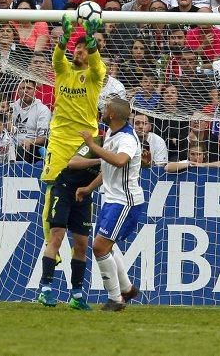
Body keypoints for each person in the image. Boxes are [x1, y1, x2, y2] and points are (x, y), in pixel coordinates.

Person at [40, 14, 105, 264]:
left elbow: (97, 62)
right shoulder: (63, 70)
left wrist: (89, 38)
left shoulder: (95, 75)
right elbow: (57, 58)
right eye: (75, 49)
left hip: (85, 142)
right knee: (50, 190)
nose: (78, 52)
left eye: (82, 49)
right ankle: (52, 248)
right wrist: (64, 38)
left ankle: (79, 245)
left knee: (82, 195)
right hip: (59, 140)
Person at [76, 98, 144, 311]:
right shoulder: (112, 135)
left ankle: (116, 299)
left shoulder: (127, 139)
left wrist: (91, 146)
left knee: (99, 246)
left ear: (112, 115)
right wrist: (89, 188)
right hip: (111, 199)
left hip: (126, 201)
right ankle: (127, 289)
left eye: (105, 109)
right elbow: (108, 168)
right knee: (106, 246)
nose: (102, 111)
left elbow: (120, 161)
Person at [37, 131, 100, 311]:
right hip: (63, 189)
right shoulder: (96, 142)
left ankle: (77, 296)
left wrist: (88, 189)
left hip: (84, 194)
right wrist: (100, 160)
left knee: (82, 245)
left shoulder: (119, 150)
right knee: (56, 236)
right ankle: (46, 289)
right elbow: (73, 162)